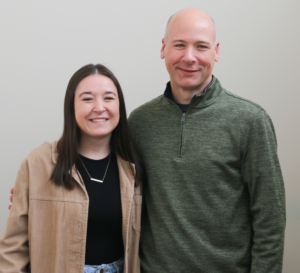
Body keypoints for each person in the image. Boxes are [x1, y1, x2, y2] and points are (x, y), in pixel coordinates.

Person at [127, 8, 286, 273]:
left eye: (201, 46)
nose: (189, 57)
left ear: (216, 51)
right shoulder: (139, 122)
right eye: (179, 45)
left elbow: (270, 219)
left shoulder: (250, 121)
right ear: (163, 48)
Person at [0, 64, 143, 273]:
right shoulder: (38, 163)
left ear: (119, 106)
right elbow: (12, 250)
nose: (99, 107)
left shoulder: (133, 167)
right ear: (71, 107)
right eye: (87, 98)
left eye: (109, 98)